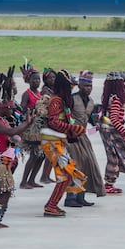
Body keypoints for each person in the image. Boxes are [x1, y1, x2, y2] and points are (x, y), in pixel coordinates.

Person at [0, 81, 33, 228]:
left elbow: (11, 135)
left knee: (5, 192)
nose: (12, 110)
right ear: (3, 109)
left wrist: (15, 138)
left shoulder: (2, 120)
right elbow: (11, 132)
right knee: (3, 191)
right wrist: (27, 124)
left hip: (4, 162)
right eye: (10, 108)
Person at [40, 69, 87, 217]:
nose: (72, 88)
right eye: (70, 86)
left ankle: (51, 205)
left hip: (57, 141)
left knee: (66, 175)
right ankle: (51, 206)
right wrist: (73, 128)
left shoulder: (60, 100)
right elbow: (53, 122)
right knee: (64, 175)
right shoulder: (56, 101)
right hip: (52, 142)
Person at [64, 70, 105, 207]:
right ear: (80, 85)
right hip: (71, 136)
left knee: (88, 164)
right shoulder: (71, 99)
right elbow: (64, 116)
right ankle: (70, 197)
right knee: (76, 165)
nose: (88, 89)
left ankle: (81, 196)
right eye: (85, 86)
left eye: (90, 86)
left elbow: (92, 120)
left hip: (83, 136)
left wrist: (99, 122)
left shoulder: (91, 102)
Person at [98, 71, 125, 194]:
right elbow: (114, 120)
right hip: (110, 132)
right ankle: (108, 184)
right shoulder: (116, 100)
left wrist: (124, 121)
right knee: (113, 157)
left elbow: (113, 118)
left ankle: (109, 183)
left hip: (107, 129)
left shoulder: (111, 98)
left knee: (114, 156)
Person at [19, 69, 44, 189]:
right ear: (29, 81)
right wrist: (34, 109)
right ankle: (24, 181)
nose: (37, 81)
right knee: (34, 154)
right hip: (31, 129)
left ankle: (32, 179)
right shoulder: (27, 94)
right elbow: (22, 109)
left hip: (40, 126)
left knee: (42, 155)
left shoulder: (39, 94)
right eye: (34, 79)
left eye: (38, 79)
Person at [39, 68, 57, 184]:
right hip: (46, 124)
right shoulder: (45, 91)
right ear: (45, 79)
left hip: (51, 123)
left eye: (54, 77)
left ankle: (46, 175)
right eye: (50, 77)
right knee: (49, 152)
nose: (53, 79)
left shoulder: (51, 90)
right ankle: (44, 176)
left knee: (52, 152)